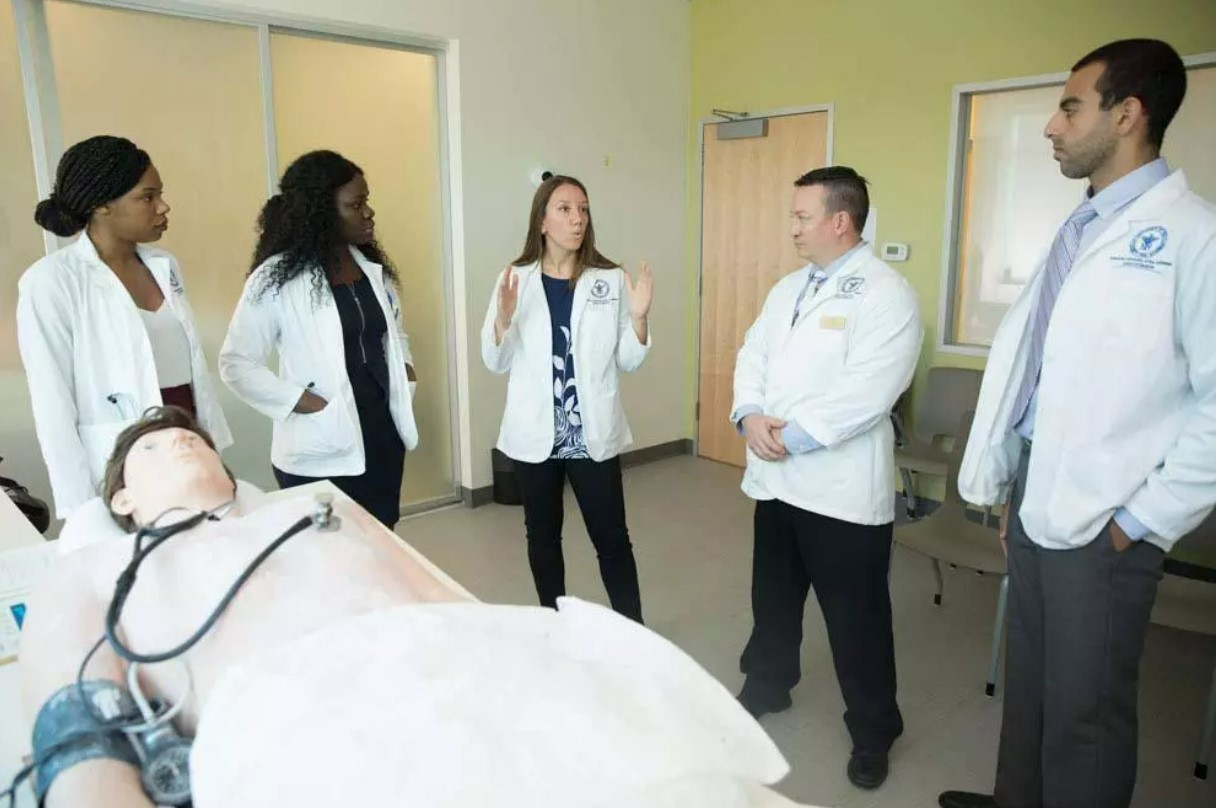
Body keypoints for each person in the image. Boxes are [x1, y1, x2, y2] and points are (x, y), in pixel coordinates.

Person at [14, 407, 794, 808]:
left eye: (191, 439)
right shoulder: (93, 569)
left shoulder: (316, 514)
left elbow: (457, 604)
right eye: (152, 448)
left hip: (472, 681)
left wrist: (562, 669)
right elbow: (77, 740)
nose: (179, 444)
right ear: (119, 496)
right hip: (309, 735)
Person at [939, 39, 1216, 808]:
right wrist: (1007, 484)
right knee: (1028, 685)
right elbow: (1036, 367)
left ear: (1127, 115)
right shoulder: (1081, 228)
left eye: (1069, 107)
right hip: (1037, 491)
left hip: (1107, 519)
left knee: (1084, 716)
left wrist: (1140, 521)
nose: (1052, 127)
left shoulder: (1195, 238)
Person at [731, 166, 922, 790]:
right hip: (778, 484)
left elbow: (869, 391)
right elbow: (752, 354)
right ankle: (768, 684)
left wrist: (789, 435)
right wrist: (749, 414)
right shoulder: (788, 289)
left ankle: (874, 730)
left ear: (840, 221)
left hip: (839, 493)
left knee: (856, 619)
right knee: (774, 599)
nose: (792, 228)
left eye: (800, 216)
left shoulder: (887, 295)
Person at [16, 135, 231, 519]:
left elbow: (190, 367)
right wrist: (81, 508)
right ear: (102, 206)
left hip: (185, 435)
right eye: (148, 197)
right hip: (121, 456)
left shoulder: (164, 265)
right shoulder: (51, 282)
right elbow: (52, 404)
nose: (163, 206)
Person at [480, 175, 653, 623]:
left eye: (583, 209)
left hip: (589, 433)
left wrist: (637, 320)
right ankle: (553, 624)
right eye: (564, 209)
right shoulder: (514, 279)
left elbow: (630, 361)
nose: (577, 219)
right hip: (535, 433)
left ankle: (633, 628)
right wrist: (502, 321)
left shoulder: (609, 279)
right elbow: (494, 361)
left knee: (612, 537)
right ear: (542, 220)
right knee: (542, 536)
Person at [219, 150, 418, 529]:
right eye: (355, 205)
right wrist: (303, 402)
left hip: (380, 431)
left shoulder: (372, 269)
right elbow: (236, 362)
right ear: (321, 211)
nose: (368, 213)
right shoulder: (276, 278)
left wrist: (405, 373)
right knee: (328, 556)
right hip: (319, 440)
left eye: (367, 202)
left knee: (380, 539)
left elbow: (394, 333)